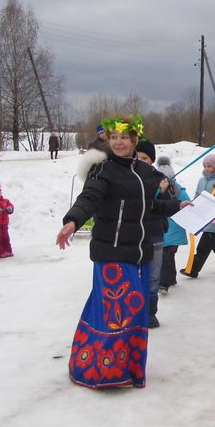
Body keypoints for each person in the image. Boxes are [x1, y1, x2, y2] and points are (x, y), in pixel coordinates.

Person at [56, 115, 182, 388]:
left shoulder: (145, 172)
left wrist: (177, 206)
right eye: (114, 138)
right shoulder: (103, 171)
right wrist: (73, 220)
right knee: (119, 310)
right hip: (111, 252)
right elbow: (89, 198)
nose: (119, 142)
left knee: (134, 311)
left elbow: (150, 208)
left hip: (139, 253)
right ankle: (101, 370)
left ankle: (127, 369)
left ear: (134, 140)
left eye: (124, 137)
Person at [135, 138, 171, 328]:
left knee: (152, 276)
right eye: (138, 156)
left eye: (146, 157)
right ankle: (133, 312)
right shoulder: (128, 177)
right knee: (133, 275)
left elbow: (169, 205)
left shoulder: (159, 178)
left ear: (152, 159)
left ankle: (150, 313)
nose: (141, 160)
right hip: (133, 236)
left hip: (155, 235)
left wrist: (164, 191)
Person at [180, 153, 215, 278]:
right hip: (203, 218)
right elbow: (197, 195)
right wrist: (192, 206)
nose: (207, 169)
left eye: (209, 166)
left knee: (203, 247)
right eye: (205, 166)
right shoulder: (201, 180)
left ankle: (192, 269)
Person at [156, 156, 190, 294]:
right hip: (165, 231)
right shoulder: (158, 192)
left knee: (166, 256)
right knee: (168, 257)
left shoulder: (179, 192)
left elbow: (188, 204)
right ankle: (171, 278)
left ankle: (164, 284)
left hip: (174, 231)